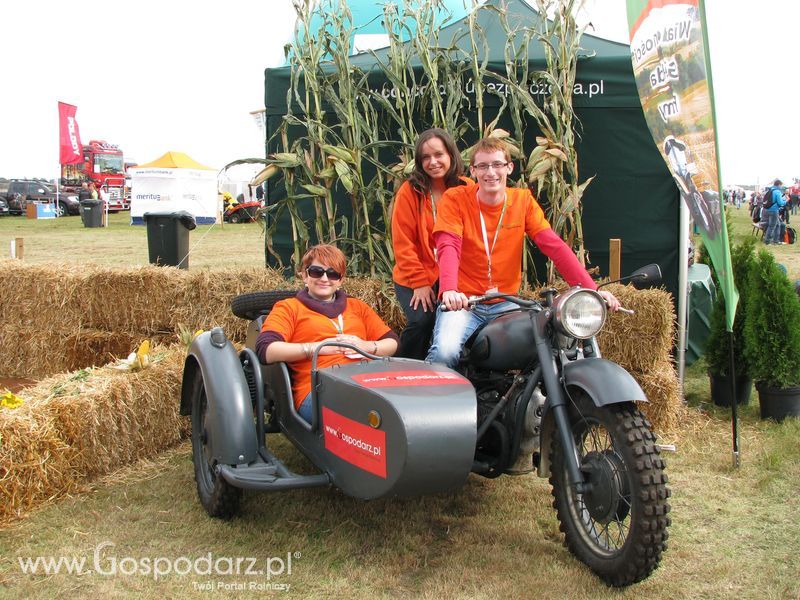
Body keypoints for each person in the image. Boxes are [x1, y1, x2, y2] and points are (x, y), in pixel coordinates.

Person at [426, 137, 620, 368]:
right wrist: (449, 290)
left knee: (548, 346)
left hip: (507, 303)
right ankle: (435, 400)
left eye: (497, 164)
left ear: (509, 167)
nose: (491, 172)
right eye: (483, 166)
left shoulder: (522, 200)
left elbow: (554, 246)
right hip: (467, 302)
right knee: (444, 354)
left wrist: (591, 289)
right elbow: (449, 245)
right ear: (473, 170)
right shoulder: (455, 199)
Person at [256, 244, 399, 421]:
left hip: (368, 381)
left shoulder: (358, 307)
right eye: (317, 271)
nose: (325, 278)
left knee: (398, 401)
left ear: (340, 280)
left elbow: (392, 342)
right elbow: (266, 350)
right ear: (304, 275)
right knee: (367, 407)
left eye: (332, 274)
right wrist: (317, 348)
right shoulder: (289, 308)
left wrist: (366, 346)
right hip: (318, 388)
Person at [391, 128, 468, 359]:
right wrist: (419, 282)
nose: (433, 162)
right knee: (422, 320)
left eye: (438, 155)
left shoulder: (466, 187)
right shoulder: (410, 191)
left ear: (451, 156)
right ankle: (406, 369)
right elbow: (402, 242)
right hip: (417, 275)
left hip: (454, 273)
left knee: (458, 321)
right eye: (426, 157)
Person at [763, 179, 786, 245]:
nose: (781, 187)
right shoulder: (777, 192)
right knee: (772, 226)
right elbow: (780, 202)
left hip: (767, 209)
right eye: (781, 185)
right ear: (779, 185)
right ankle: (767, 241)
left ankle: (776, 240)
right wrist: (785, 201)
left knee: (778, 224)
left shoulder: (770, 190)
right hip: (774, 210)